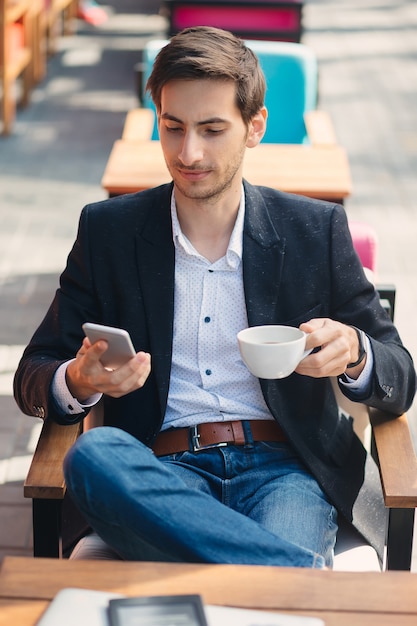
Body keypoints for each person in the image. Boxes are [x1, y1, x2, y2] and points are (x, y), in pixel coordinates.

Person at [14, 26, 416, 569]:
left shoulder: (313, 229)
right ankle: (285, 574)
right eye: (173, 127)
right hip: (159, 471)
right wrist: (79, 383)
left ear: (255, 127)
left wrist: (356, 352)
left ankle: (250, 569)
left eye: (211, 129)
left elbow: (400, 376)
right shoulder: (109, 230)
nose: (189, 152)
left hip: (286, 470)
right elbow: (33, 374)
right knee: (94, 455)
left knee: (263, 536)